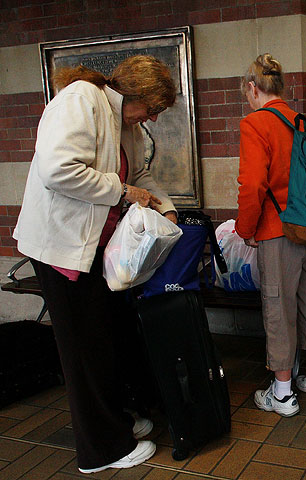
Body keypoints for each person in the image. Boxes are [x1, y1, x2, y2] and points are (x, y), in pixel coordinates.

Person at [13, 55, 178, 473]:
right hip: (60, 247)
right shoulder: (81, 99)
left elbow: (139, 178)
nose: (153, 120)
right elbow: (58, 170)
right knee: (83, 352)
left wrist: (166, 208)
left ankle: (117, 418)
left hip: (91, 250)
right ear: (133, 94)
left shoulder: (127, 126)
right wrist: (122, 192)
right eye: (152, 109)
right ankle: (102, 449)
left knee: (107, 339)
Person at [235, 53, 306, 417]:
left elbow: (252, 185)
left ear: (252, 88)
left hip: (277, 232)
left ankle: (282, 393)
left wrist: (244, 229)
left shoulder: (255, 124)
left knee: (279, 307)